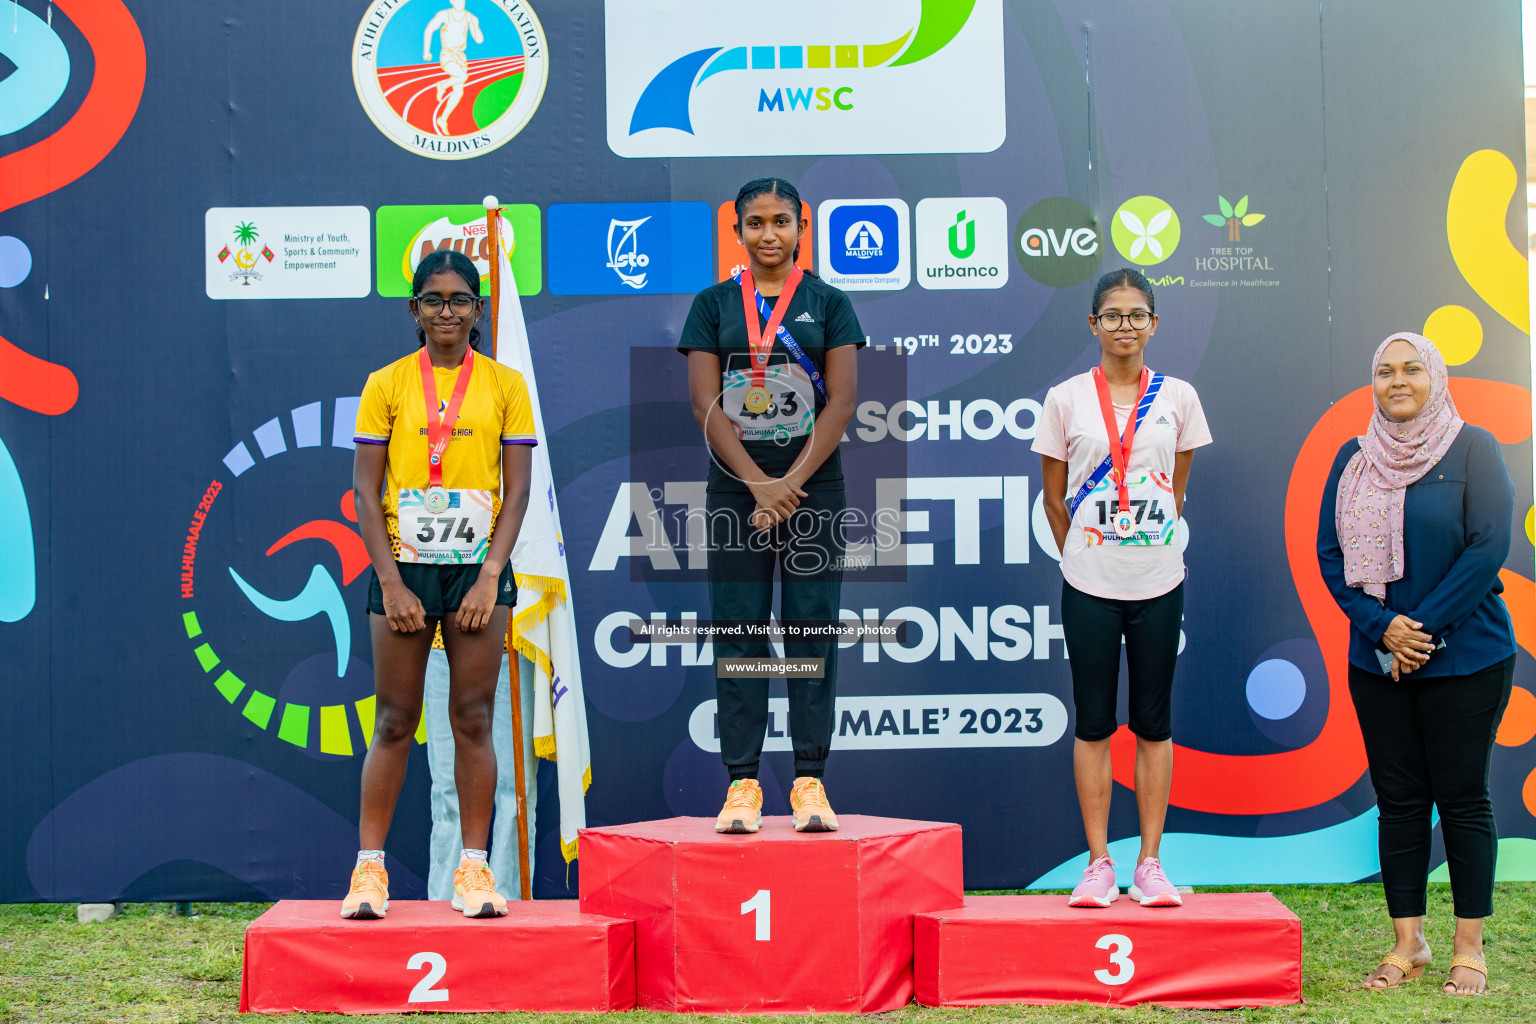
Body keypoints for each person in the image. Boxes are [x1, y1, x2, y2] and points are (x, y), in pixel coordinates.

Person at [1317, 332, 1514, 995]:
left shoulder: (1474, 448)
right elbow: (1330, 557)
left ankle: (1469, 948)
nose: (1396, 380)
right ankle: (1409, 944)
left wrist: (1417, 631)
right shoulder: (1353, 459)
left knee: (1462, 799)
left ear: (1435, 377)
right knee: (1399, 803)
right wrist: (1383, 629)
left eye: (1410, 369)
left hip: (1467, 660)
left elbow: (1489, 545)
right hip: (1378, 664)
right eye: (1384, 370)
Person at [342, 249, 535, 919]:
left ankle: (474, 871)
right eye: (433, 300)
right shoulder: (386, 383)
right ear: (414, 310)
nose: (446, 311)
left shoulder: (505, 385)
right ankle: (369, 874)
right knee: (395, 721)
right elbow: (366, 492)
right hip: (404, 568)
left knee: (474, 721)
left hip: (477, 571)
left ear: (477, 310)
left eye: (459, 300)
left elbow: (516, 493)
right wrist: (391, 583)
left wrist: (489, 579)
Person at [678, 177, 864, 833]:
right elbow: (705, 402)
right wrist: (759, 484)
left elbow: (841, 402)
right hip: (736, 491)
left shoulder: (829, 303)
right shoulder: (713, 304)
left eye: (781, 221)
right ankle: (743, 785)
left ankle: (810, 781)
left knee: (811, 629)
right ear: (736, 231)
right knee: (741, 630)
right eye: (754, 223)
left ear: (800, 227)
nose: (768, 234)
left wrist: (789, 485)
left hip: (816, 490)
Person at [1034, 267, 1212, 908]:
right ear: (1093, 324)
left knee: (1155, 724)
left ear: (1154, 324)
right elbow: (1054, 498)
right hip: (1088, 583)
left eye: (1137, 315)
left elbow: (1178, 483)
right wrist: (1086, 555)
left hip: (1160, 581)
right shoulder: (1065, 400)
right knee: (1093, 724)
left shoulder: (1180, 397)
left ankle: (1151, 863)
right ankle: (1098, 863)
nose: (1125, 326)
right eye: (1113, 316)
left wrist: (1145, 541)